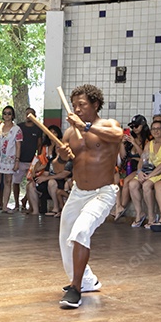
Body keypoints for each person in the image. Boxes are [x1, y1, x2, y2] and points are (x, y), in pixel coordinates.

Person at [54, 85, 124, 309]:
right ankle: (87, 280)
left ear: (95, 105)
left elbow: (119, 136)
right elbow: (57, 168)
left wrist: (84, 126)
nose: (77, 109)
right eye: (74, 105)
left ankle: (75, 288)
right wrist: (61, 157)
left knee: (81, 231)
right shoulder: (69, 133)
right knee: (66, 237)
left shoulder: (108, 125)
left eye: (82, 105)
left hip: (102, 192)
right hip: (78, 192)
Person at [127, 118, 161, 227]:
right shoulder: (149, 144)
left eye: (158, 129)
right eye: (153, 129)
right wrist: (139, 172)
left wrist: (150, 176)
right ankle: (139, 214)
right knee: (132, 184)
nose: (156, 131)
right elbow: (142, 160)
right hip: (149, 171)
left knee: (146, 185)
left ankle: (152, 217)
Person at [112, 116, 148, 220]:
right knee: (115, 179)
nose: (134, 129)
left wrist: (134, 143)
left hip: (140, 167)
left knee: (127, 181)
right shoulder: (130, 138)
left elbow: (144, 156)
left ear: (143, 126)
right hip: (127, 166)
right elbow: (123, 156)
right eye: (132, 127)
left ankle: (122, 207)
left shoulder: (147, 140)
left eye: (136, 126)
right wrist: (122, 143)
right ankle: (118, 205)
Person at [0, 105, 21, 213]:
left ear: (13, 115)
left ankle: (5, 206)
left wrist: (17, 161)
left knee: (8, 181)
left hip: (10, 158)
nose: (7, 115)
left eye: (9, 113)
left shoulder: (17, 129)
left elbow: (18, 146)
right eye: (5, 113)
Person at [13, 108, 43, 213]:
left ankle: (26, 200)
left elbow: (39, 144)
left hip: (31, 161)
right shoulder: (19, 127)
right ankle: (16, 204)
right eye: (27, 114)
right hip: (19, 160)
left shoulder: (38, 128)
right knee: (16, 182)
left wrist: (38, 160)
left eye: (31, 114)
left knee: (31, 182)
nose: (29, 116)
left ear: (35, 115)